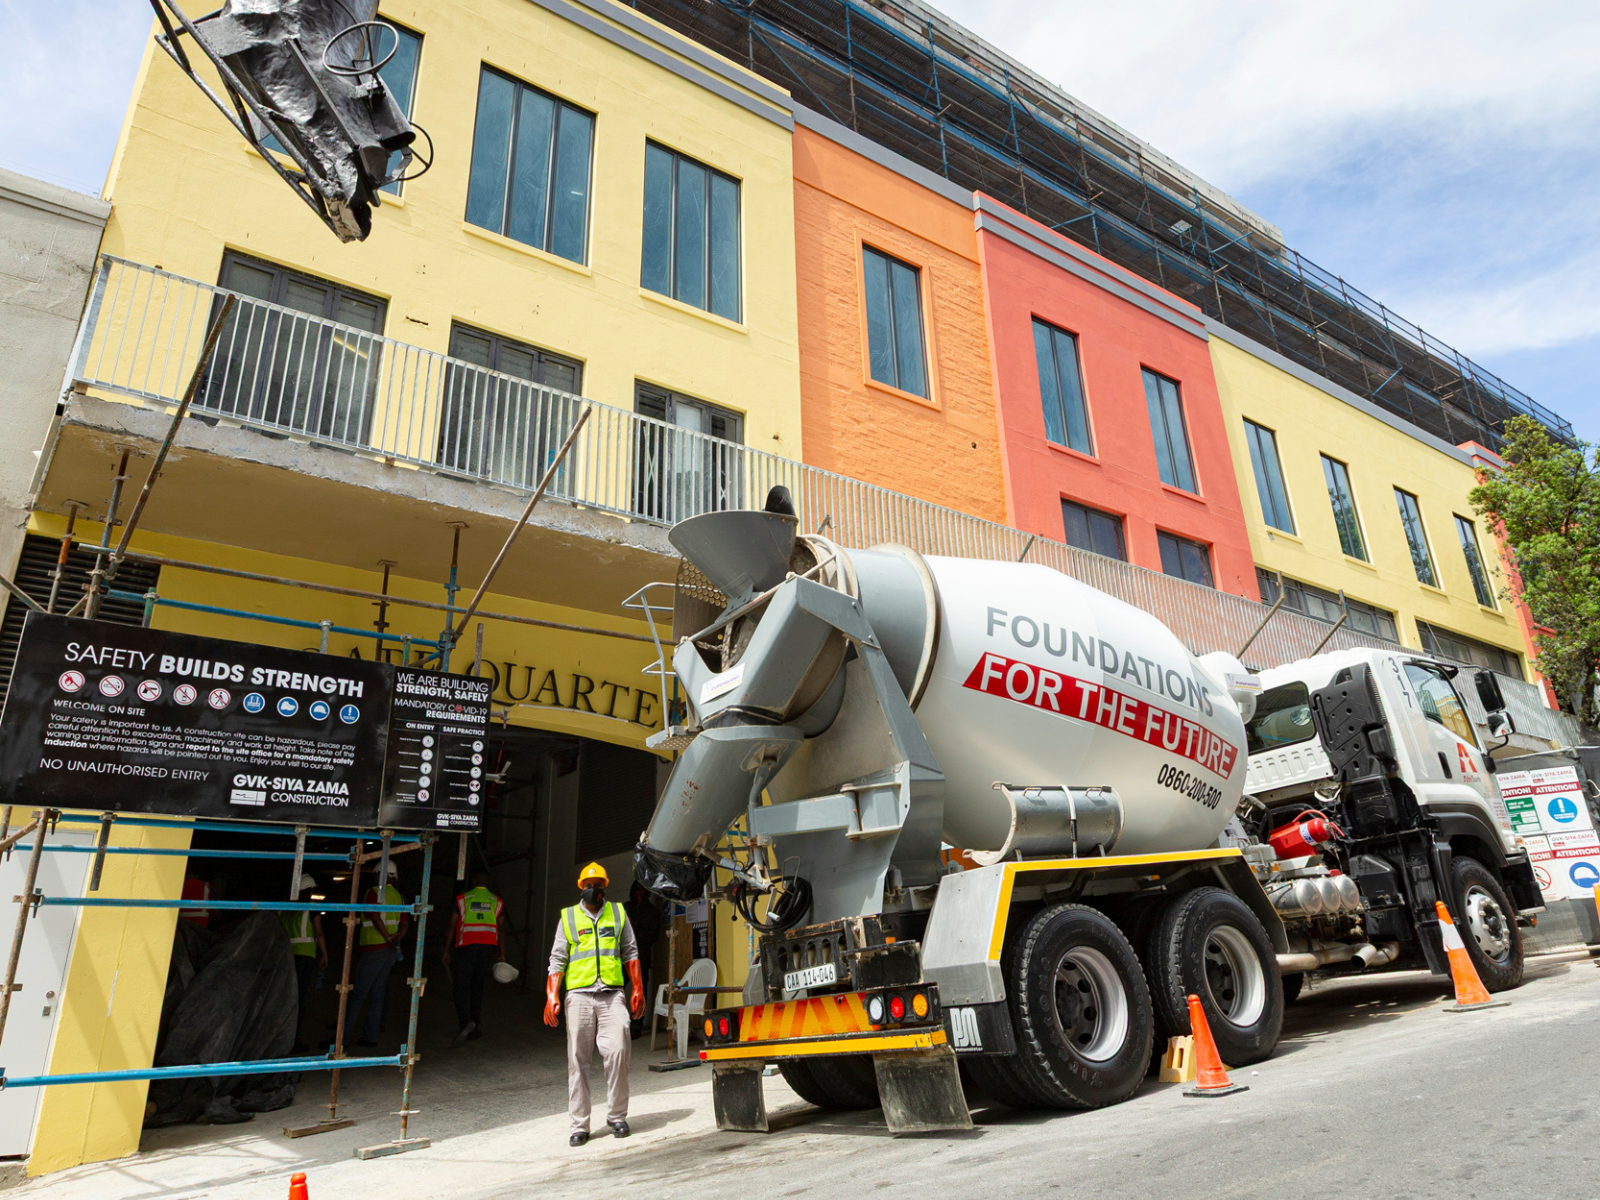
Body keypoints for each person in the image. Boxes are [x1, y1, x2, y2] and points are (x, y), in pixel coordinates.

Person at [545, 863, 644, 1147]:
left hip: (612, 993)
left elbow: (630, 952)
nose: (594, 889)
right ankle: (580, 1125)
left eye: (598, 884)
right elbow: (557, 959)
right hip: (579, 995)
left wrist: (637, 987)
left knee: (618, 1051)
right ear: (581, 887)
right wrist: (552, 995)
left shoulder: (618, 913)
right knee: (578, 1060)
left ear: (605, 886)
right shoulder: (568, 917)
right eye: (589, 885)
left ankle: (616, 1116)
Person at [342, 859, 409, 1050]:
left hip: (374, 949)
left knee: (358, 993)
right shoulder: (399, 896)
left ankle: (342, 1038)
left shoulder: (373, 892)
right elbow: (405, 923)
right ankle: (370, 1037)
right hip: (390, 951)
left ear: (380, 874)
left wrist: (387, 936)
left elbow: (374, 915)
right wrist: (397, 937)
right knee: (378, 993)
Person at [442, 870, 505, 1047]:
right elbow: (501, 929)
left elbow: (451, 926)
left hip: (466, 948)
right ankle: (475, 1027)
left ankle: (465, 1022)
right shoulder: (497, 901)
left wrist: (446, 950)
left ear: (474, 881)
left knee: (460, 987)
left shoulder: (462, 899)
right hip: (487, 950)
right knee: (477, 987)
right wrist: (502, 953)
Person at [282, 873, 328, 1052]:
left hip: (286, 957)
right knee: (298, 1000)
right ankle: (293, 1042)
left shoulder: (284, 908)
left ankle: (282, 1040)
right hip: (305, 956)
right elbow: (319, 933)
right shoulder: (310, 908)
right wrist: (324, 954)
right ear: (308, 890)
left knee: (285, 999)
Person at [624, 881, 663, 1039]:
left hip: (641, 958)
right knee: (614, 988)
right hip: (621, 958)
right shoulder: (624, 908)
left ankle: (636, 1025)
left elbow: (652, 937)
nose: (638, 893)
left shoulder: (652, 912)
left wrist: (635, 927)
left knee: (640, 992)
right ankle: (613, 1022)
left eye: (642, 890)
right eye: (636, 890)